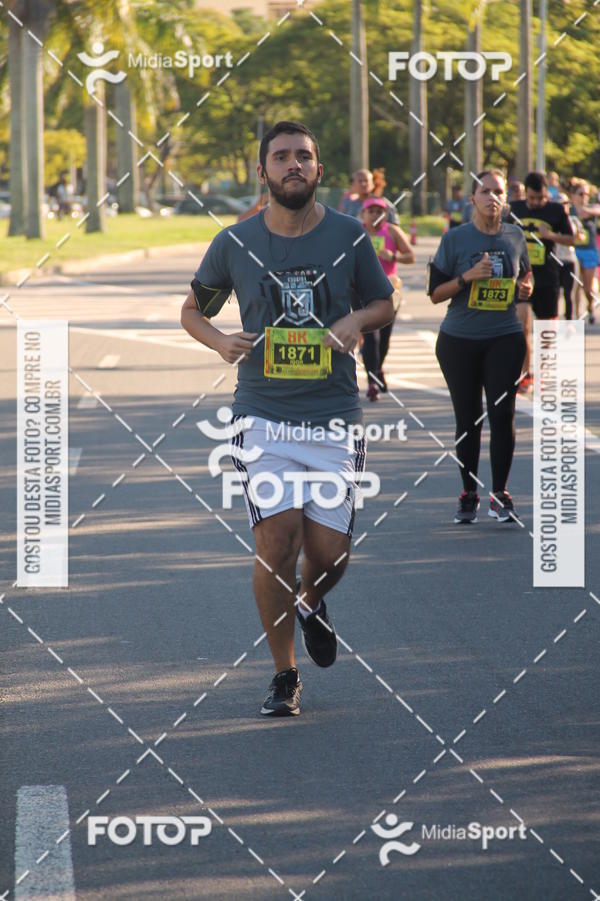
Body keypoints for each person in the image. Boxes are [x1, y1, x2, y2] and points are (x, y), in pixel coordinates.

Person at [181, 121, 394, 717]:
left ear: (318, 169)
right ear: (263, 172)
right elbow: (192, 309)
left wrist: (357, 322)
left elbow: (384, 301)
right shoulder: (234, 242)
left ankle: (310, 600)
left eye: (304, 155)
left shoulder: (350, 236)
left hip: (333, 416)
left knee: (329, 554)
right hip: (262, 415)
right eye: (282, 157)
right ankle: (284, 673)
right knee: (276, 541)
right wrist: (218, 340)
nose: (293, 164)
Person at [427, 169, 532, 524]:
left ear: (505, 198)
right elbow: (435, 295)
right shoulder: (455, 240)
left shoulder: (516, 236)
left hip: (505, 336)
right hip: (459, 341)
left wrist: (525, 289)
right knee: (468, 419)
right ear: (471, 198)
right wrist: (467, 278)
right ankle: (468, 492)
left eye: (498, 191)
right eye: (484, 191)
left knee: (502, 414)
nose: (492, 198)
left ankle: (499, 493)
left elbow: (525, 275)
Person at [509, 171, 575, 389]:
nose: (537, 203)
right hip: (522, 277)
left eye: (541, 198)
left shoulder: (556, 210)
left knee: (547, 331)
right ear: (525, 194)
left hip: (548, 276)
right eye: (532, 198)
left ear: (547, 193)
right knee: (522, 325)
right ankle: (526, 373)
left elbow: (573, 238)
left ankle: (546, 375)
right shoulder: (514, 209)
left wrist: (551, 236)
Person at [359, 196, 414, 400]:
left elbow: (410, 256)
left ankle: (377, 368)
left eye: (379, 211)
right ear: (363, 214)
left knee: (384, 339)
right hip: (363, 290)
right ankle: (372, 381)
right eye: (370, 211)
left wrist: (392, 256)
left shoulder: (391, 231)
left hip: (390, 288)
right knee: (371, 337)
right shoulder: (358, 232)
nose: (375, 214)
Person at [570, 178, 600, 323]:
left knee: (587, 288)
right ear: (573, 195)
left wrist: (582, 209)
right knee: (575, 284)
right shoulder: (568, 211)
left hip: (589, 251)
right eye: (580, 194)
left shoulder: (593, 208)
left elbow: (595, 211)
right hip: (574, 251)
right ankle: (576, 314)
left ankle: (590, 305)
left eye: (586, 194)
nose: (583, 197)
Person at [556, 192, 585, 321]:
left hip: (569, 260)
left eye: (565, 204)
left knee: (569, 293)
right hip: (555, 260)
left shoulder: (573, 220)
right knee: (554, 293)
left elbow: (582, 236)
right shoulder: (551, 220)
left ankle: (569, 322)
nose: (563, 206)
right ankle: (553, 321)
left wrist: (578, 237)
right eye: (559, 204)